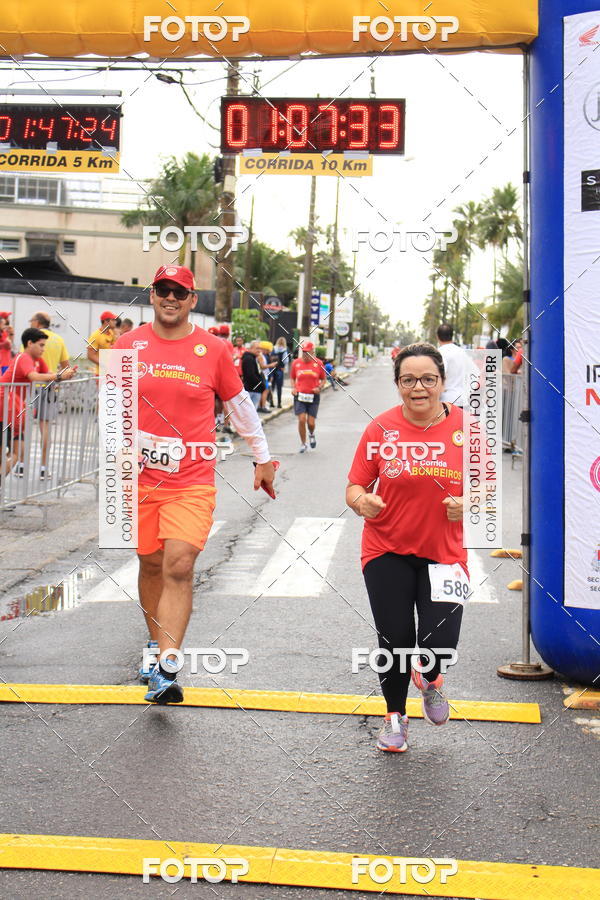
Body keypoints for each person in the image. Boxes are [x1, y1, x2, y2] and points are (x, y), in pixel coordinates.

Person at [114, 265, 276, 704]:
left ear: (191, 300)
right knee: (150, 565)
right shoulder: (127, 346)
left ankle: (168, 666)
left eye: (179, 292)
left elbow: (238, 404)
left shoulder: (214, 350)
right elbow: (113, 411)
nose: (170, 297)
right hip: (141, 480)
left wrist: (262, 456)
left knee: (179, 564)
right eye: (163, 290)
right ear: (152, 295)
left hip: (192, 479)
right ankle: (154, 647)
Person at [346, 342, 466, 753]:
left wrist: (470, 504)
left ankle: (431, 679)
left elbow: (491, 493)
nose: (419, 387)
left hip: (445, 555)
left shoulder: (468, 430)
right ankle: (394, 717)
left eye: (428, 379)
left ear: (442, 382)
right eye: (409, 379)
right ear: (398, 384)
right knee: (394, 641)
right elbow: (354, 486)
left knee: (441, 644)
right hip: (386, 549)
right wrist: (363, 501)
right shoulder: (380, 429)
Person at [0, 328, 75, 478]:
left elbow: (48, 374)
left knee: (17, 452)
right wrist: (59, 376)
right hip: (4, 408)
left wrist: (66, 375)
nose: (43, 349)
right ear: (29, 343)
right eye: (41, 345)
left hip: (14, 410)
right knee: (11, 453)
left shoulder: (37, 360)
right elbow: (34, 376)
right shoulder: (24, 358)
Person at [26, 312, 73, 479]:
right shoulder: (58, 340)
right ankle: (44, 467)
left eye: (31, 321)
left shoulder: (30, 339)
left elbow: (21, 359)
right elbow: (66, 366)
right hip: (50, 387)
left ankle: (22, 464)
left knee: (24, 428)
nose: (30, 323)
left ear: (38, 323)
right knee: (45, 428)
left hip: (29, 387)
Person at [290, 341, 326, 453]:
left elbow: (323, 379)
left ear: (312, 352)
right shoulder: (296, 363)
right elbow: (292, 378)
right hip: (300, 395)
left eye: (307, 352)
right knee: (301, 420)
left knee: (310, 423)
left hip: (313, 396)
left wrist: (319, 388)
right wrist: (293, 388)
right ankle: (303, 443)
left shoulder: (319, 363)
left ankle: (311, 433)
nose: (305, 354)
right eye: (304, 352)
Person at [437, 323, 470, 408]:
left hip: (446, 400)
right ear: (452, 335)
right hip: (462, 399)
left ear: (437, 337)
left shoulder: (439, 352)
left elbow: (440, 376)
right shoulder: (463, 352)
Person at [240, 341, 265, 409]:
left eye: (260, 348)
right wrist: (261, 385)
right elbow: (250, 375)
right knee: (251, 413)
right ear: (250, 349)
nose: (259, 350)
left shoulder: (253, 358)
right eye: (257, 348)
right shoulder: (249, 359)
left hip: (254, 389)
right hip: (252, 390)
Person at [269, 337, 289, 408]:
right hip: (280, 369)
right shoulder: (284, 350)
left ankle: (271, 402)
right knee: (279, 387)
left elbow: (270, 357)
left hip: (272, 368)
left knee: (272, 386)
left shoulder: (273, 349)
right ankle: (279, 403)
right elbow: (285, 361)